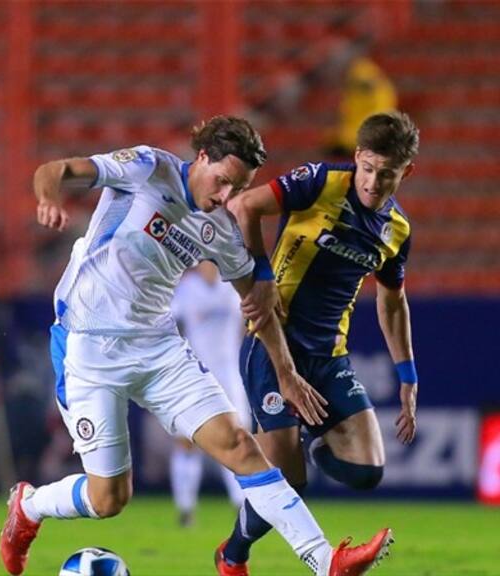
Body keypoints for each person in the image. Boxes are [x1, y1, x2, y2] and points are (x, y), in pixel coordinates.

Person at [0, 116, 392, 576]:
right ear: (202, 157)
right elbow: (57, 170)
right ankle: (29, 506)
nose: (227, 196)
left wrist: (286, 373)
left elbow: (258, 305)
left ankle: (326, 562)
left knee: (241, 446)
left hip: (159, 348)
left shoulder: (221, 229)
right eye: (223, 181)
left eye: (238, 188)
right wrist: (48, 198)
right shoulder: (148, 168)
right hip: (89, 346)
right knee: (109, 498)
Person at [218, 111, 419, 575]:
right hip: (273, 344)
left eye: (386, 174)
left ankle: (304, 440)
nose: (372, 182)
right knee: (287, 482)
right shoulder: (320, 182)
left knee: (367, 470)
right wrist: (260, 275)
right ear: (357, 157)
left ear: (406, 172)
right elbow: (243, 206)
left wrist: (407, 376)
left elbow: (392, 303)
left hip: (329, 356)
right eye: (367, 168)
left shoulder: (397, 231)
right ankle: (232, 556)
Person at [169, 260, 250, 526]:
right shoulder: (187, 287)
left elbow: (246, 323)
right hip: (195, 372)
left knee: (237, 438)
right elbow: (171, 324)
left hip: (229, 373)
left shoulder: (233, 286)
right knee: (187, 440)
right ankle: (185, 508)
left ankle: (241, 504)